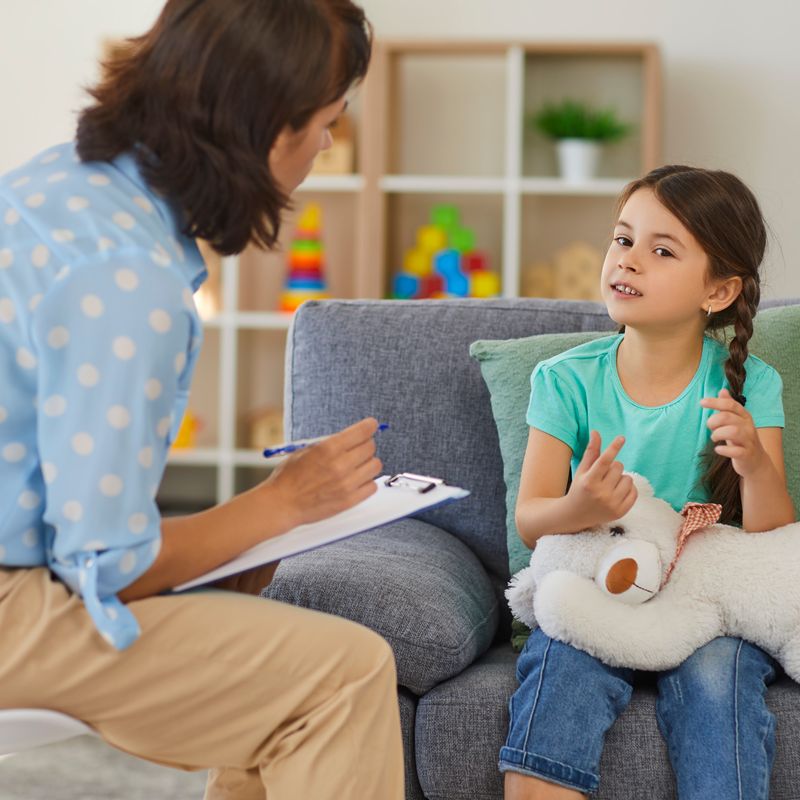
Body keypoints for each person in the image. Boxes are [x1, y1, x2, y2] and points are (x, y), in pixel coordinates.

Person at [0, 1, 405, 798]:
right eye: (327, 123)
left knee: (285, 676)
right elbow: (108, 564)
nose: (326, 145)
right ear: (268, 129)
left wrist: (231, 547)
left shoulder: (56, 185)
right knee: (344, 675)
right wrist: (285, 504)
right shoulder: (130, 282)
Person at [501, 165, 796, 799]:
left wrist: (753, 464)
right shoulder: (564, 380)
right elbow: (531, 517)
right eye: (622, 239)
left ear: (717, 291)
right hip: (596, 585)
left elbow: (774, 536)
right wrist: (579, 506)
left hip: (706, 607)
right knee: (559, 664)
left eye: (661, 250)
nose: (627, 261)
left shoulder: (752, 385)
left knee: (721, 676)